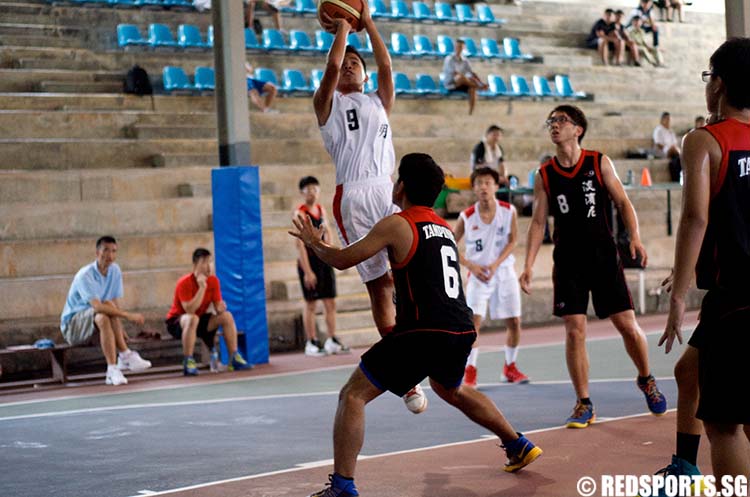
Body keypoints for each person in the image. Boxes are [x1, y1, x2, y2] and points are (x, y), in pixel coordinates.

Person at [291, 153, 543, 497]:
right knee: (450, 389)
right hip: (460, 327)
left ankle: (342, 486)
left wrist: (313, 243)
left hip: (424, 330)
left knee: (352, 395)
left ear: (402, 186)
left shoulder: (397, 224)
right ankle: (517, 443)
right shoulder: (442, 226)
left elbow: (342, 260)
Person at [519, 105, 667, 428]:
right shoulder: (545, 175)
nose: (554, 126)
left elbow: (624, 202)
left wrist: (635, 238)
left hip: (603, 257)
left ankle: (646, 378)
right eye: (551, 122)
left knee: (627, 326)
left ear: (578, 129)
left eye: (561, 121)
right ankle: (584, 403)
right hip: (568, 261)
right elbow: (538, 221)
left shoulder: (599, 162)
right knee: (575, 330)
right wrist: (528, 264)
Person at [315, 2, 427, 413]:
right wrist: (343, 29)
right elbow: (330, 70)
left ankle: (422, 340)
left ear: (364, 75)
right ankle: (408, 376)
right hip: (355, 196)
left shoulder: (380, 100)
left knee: (410, 274)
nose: (348, 67)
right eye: (345, 63)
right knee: (380, 286)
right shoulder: (327, 106)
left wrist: (370, 22)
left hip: (387, 192)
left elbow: (386, 64)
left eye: (354, 64)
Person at [660, 37, 750, 486]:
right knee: (688, 371)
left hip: (735, 297)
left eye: (708, 76)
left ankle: (691, 469)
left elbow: (695, 218)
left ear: (719, 83)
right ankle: (684, 464)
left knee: (725, 424)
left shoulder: (704, 140)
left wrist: (679, 294)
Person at [454, 167, 529, 388]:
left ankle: (510, 367)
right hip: (478, 276)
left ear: (496, 186)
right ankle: (470, 370)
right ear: (474, 188)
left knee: (514, 321)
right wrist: (471, 266)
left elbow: (513, 240)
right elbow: (449, 244)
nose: (483, 187)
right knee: (473, 324)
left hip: (503, 272)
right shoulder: (466, 216)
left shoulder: (508, 211)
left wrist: (496, 264)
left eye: (488, 182)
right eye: (479, 183)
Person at [60, 236, 151, 386]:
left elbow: (113, 302)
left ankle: (123, 357)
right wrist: (128, 315)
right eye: (106, 250)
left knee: (108, 306)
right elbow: (97, 306)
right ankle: (116, 365)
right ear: (97, 253)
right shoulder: (85, 275)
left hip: (95, 325)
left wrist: (119, 330)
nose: (110, 255)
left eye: (114, 251)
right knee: (102, 315)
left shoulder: (115, 270)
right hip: (73, 327)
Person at [165, 248, 252, 376]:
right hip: (178, 321)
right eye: (204, 262)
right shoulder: (184, 283)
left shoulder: (213, 281)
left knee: (227, 316)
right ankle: (188, 361)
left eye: (210, 261)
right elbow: (189, 309)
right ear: (195, 265)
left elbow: (218, 307)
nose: (208, 266)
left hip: (200, 320)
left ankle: (234, 357)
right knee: (192, 318)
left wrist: (221, 307)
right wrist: (202, 288)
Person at [294, 176, 349, 357]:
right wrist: (308, 271)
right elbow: (300, 245)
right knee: (311, 304)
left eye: (314, 189)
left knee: (330, 302)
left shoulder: (321, 210)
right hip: (310, 262)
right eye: (308, 189)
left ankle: (332, 339)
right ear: (302, 192)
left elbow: (328, 233)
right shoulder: (300, 213)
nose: (312, 192)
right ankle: (311, 341)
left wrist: (332, 255)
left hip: (324, 260)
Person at [440, 38, 488, 115]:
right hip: (451, 83)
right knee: (460, 78)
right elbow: (454, 74)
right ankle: (479, 87)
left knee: (472, 88)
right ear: (455, 47)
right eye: (458, 47)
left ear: (464, 48)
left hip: (463, 83)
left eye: (461, 47)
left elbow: (472, 73)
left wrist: (481, 82)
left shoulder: (465, 60)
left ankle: (471, 112)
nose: (459, 49)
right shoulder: (449, 59)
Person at [653, 111, 682, 181]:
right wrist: (669, 149)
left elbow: (675, 143)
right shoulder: (658, 130)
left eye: (669, 119)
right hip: (663, 151)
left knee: (677, 159)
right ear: (662, 119)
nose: (669, 121)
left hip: (673, 151)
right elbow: (658, 144)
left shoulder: (671, 131)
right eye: (667, 119)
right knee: (676, 151)